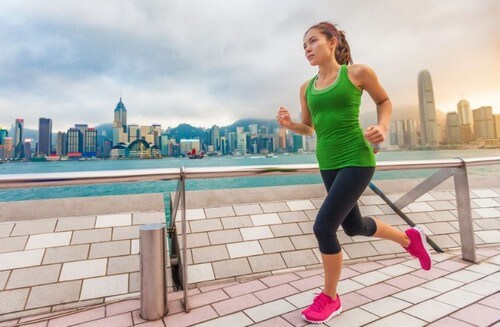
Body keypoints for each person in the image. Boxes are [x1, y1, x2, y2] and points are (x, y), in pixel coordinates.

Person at [276, 21, 432, 324]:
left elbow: (384, 101)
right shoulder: (305, 88)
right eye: (303, 45)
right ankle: (409, 239)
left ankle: (331, 299)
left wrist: (383, 126)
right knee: (353, 226)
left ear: (332, 41)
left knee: (323, 228)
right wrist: (290, 125)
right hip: (328, 161)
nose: (306, 48)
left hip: (357, 159)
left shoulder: (356, 73)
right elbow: (310, 127)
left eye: (312, 41)